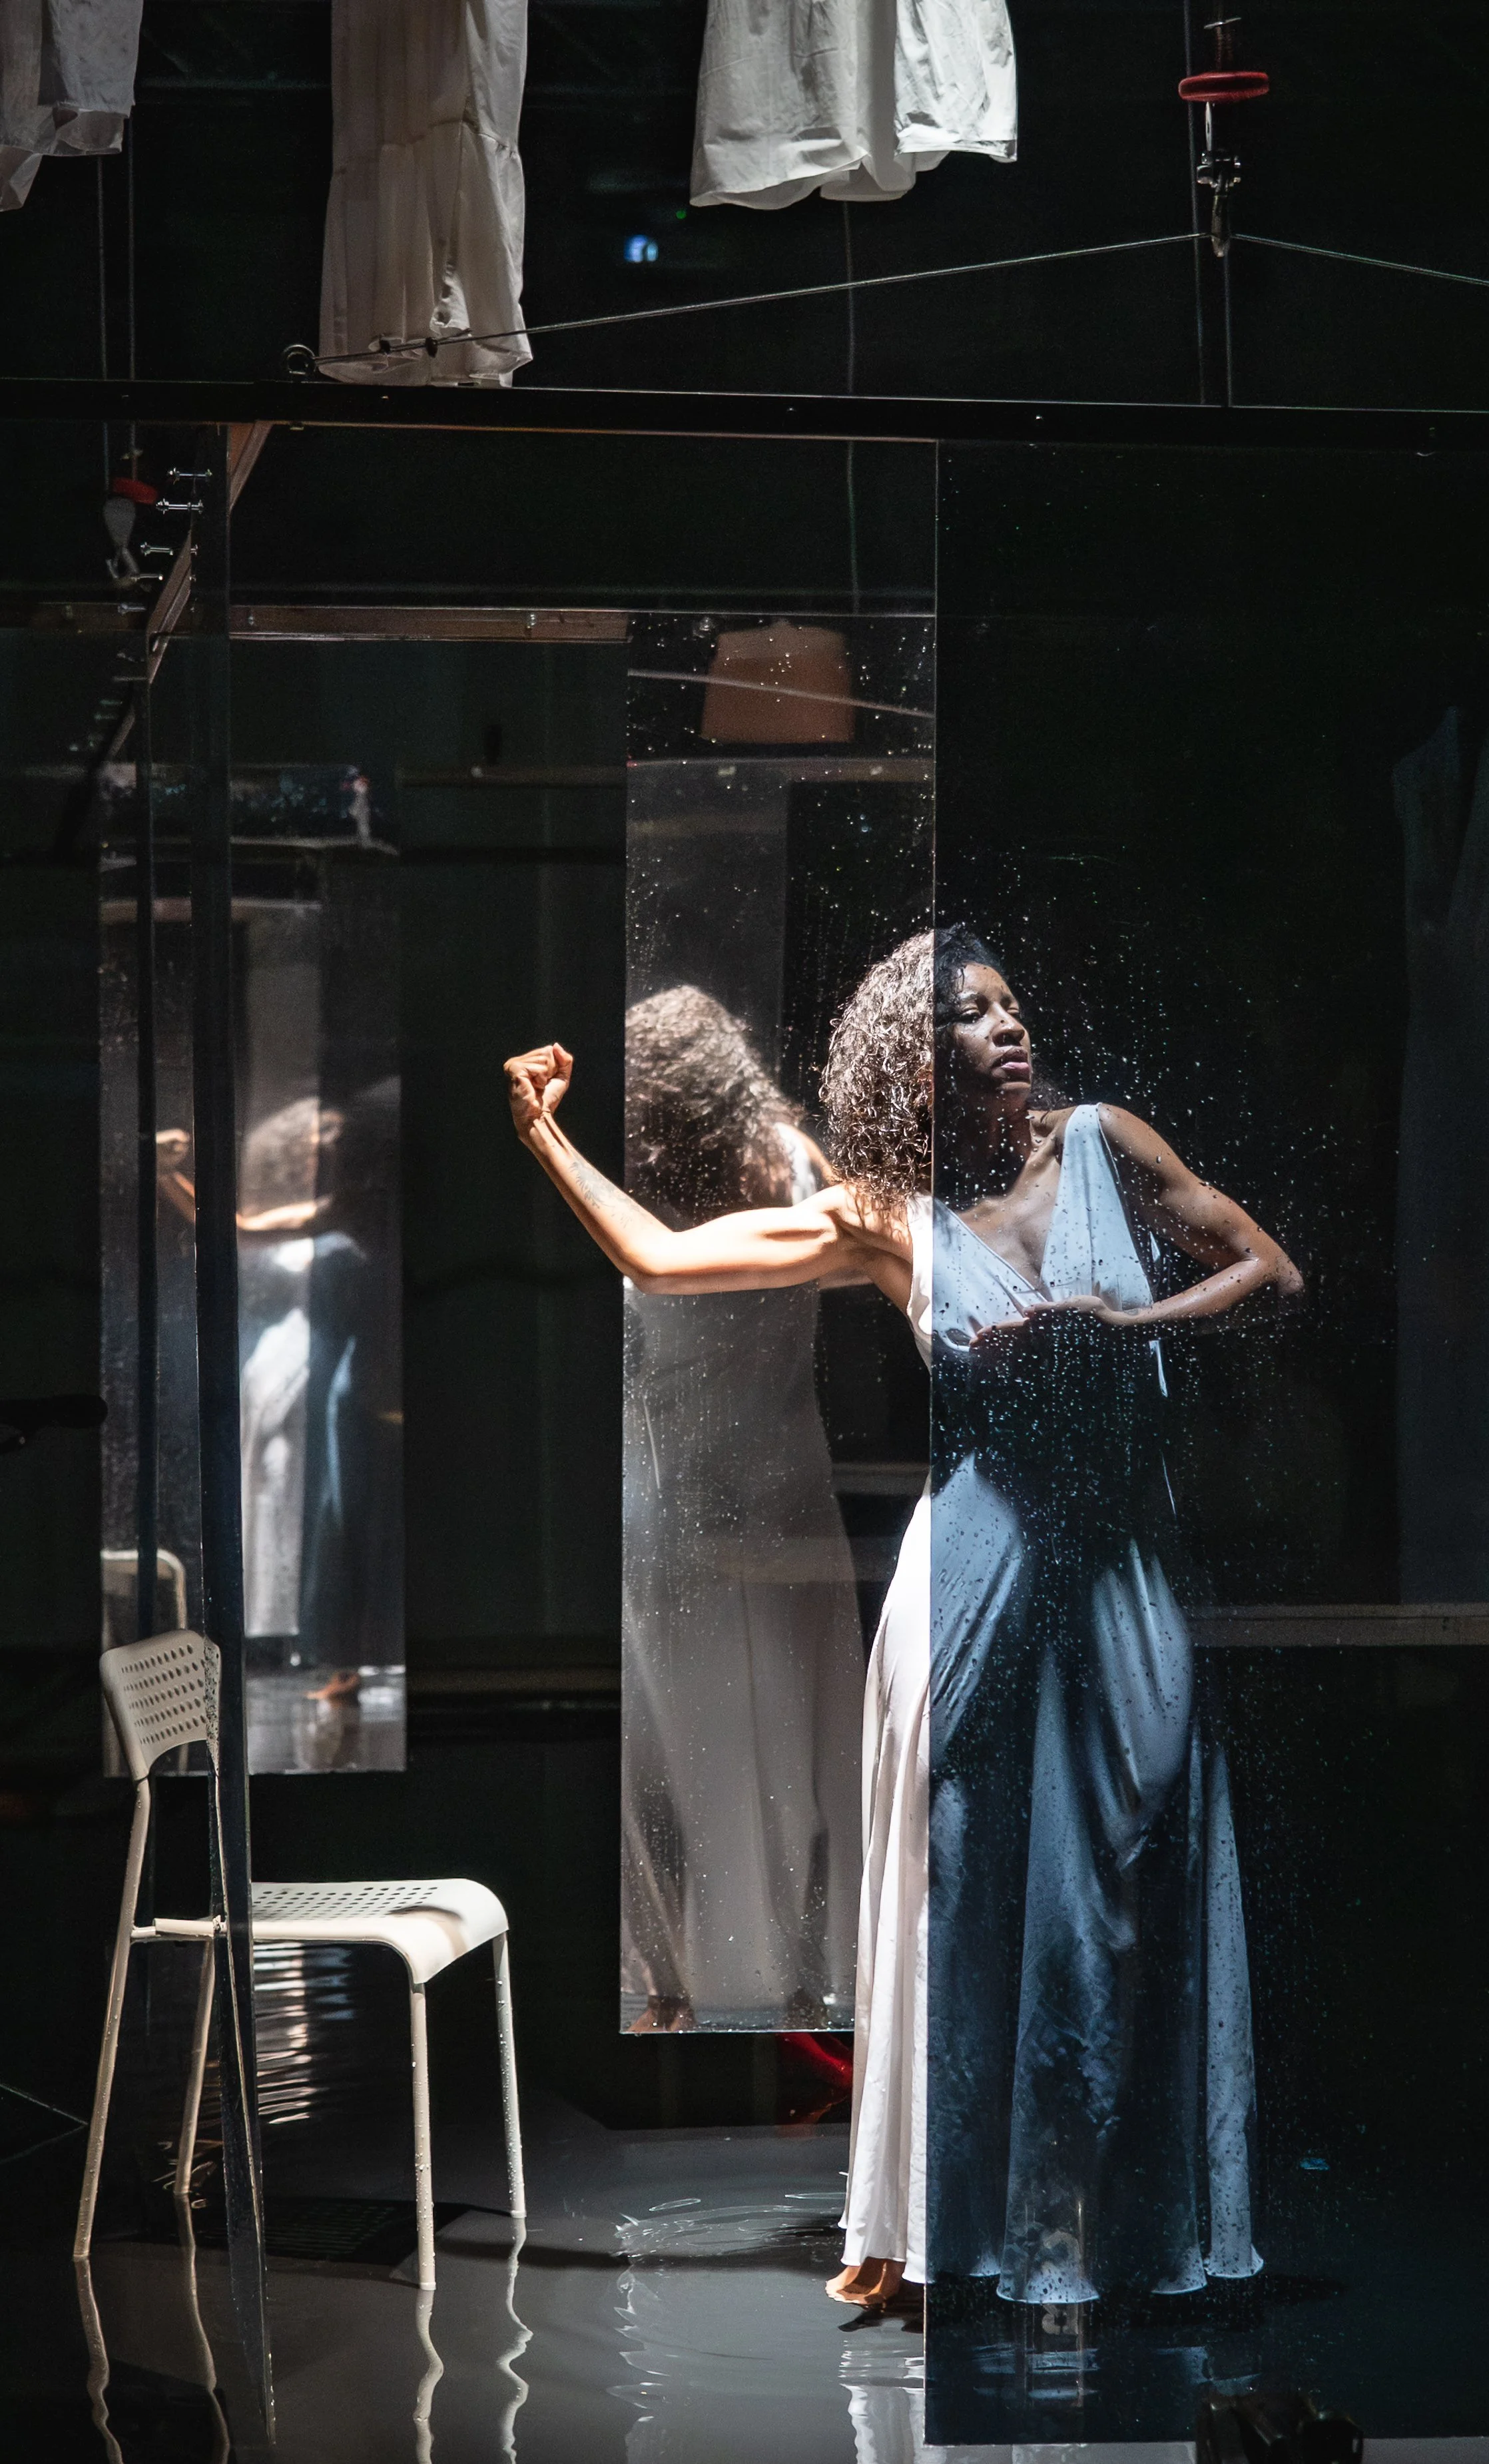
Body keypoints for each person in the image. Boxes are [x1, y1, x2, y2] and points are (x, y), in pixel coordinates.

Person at [504, 926, 1301, 2314]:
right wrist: (543, 1138)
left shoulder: (1106, 1142)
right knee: (954, 1897)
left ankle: (1106, 2226)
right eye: (970, 1018)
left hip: (1120, 1578)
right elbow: (661, 1256)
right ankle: (925, 2231)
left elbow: (1270, 1271)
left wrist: (1132, 1330)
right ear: (915, 1062)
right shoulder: (885, 1216)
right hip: (971, 1581)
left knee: (1123, 1881)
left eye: (1011, 1005)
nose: (1008, 1029)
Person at [620, 986, 865, 2032]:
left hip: (678, 1490)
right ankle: (811, 1976)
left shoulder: (639, 1190)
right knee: (805, 1741)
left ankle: (718, 1987)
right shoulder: (796, 1164)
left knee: (698, 1758)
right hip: (784, 1479)